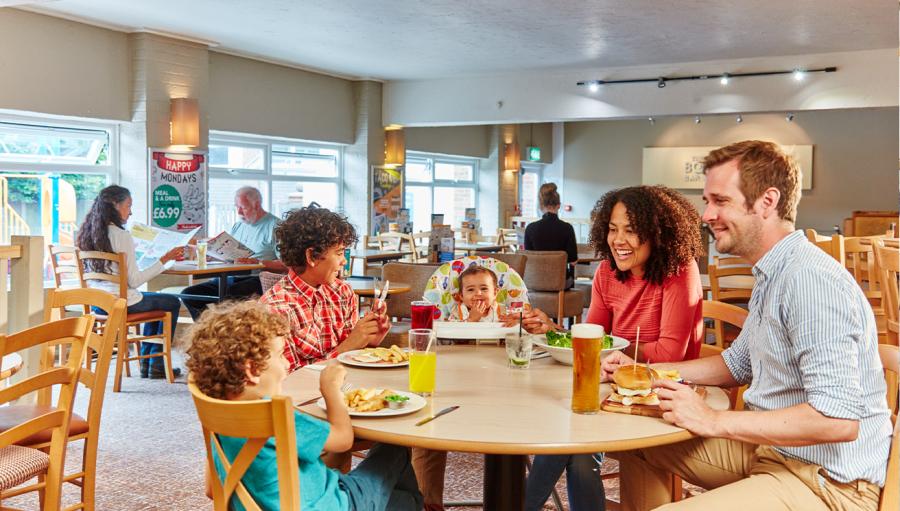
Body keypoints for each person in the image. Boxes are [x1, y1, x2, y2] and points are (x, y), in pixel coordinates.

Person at [607, 140, 892, 511]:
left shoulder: (809, 280)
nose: (706, 214)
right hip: (774, 453)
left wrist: (713, 419)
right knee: (641, 442)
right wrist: (643, 371)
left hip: (828, 480)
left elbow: (836, 420)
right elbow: (735, 364)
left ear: (767, 202)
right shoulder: (773, 272)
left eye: (720, 201)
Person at [523, 185, 705, 511]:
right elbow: (596, 337)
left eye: (631, 231)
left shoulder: (679, 271)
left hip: (662, 390)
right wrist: (553, 330)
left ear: (658, 234)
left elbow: (670, 354)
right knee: (574, 441)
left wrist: (619, 352)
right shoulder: (607, 271)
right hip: (613, 386)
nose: (618, 240)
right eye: (612, 229)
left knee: (573, 438)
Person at [185, 300, 423, 511]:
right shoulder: (272, 414)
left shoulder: (217, 413)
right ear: (251, 370)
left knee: (404, 503)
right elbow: (342, 441)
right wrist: (330, 391)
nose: (287, 362)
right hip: (336, 503)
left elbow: (212, 490)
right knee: (394, 446)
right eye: (280, 355)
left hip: (293, 500)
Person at [260, 206, 389, 371]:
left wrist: (370, 340)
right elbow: (287, 379)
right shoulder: (276, 307)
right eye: (339, 253)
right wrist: (347, 347)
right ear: (311, 256)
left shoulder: (342, 292)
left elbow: (353, 359)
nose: (344, 261)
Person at [77, 185, 184, 379]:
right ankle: (154, 364)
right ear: (115, 206)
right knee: (172, 302)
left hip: (99, 304)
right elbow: (134, 281)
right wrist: (164, 259)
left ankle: (149, 363)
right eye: (128, 206)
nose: (131, 211)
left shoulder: (88, 233)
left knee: (157, 301)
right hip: (122, 302)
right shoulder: (121, 235)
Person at [182, 186, 287, 320]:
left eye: (243, 207)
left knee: (228, 295)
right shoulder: (238, 226)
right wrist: (214, 255)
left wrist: (259, 262)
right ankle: (210, 333)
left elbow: (287, 264)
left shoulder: (276, 226)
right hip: (231, 276)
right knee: (190, 294)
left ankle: (223, 333)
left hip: (259, 279)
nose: (239, 212)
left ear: (257, 205)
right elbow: (230, 256)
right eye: (236, 207)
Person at [524, 182, 578, 287]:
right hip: (560, 282)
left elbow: (528, 258)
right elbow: (573, 261)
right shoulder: (567, 228)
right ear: (558, 205)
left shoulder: (530, 228)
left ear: (541, 205)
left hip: (535, 281)